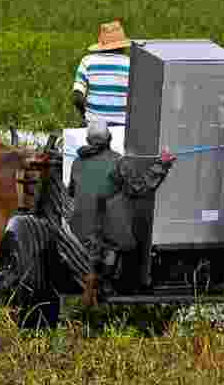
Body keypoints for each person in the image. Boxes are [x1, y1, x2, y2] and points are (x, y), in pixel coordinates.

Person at [67, 119, 176, 306]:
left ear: (87, 140)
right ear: (109, 138)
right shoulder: (119, 162)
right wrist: (162, 164)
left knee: (102, 224)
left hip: (80, 231)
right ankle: (107, 281)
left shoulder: (77, 163)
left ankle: (93, 279)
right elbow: (140, 188)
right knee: (119, 231)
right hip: (107, 234)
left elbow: (71, 191)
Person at [73, 20, 131, 127]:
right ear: (123, 46)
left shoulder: (88, 61)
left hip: (93, 125)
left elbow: (77, 97)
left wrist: (85, 116)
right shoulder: (131, 64)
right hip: (123, 126)